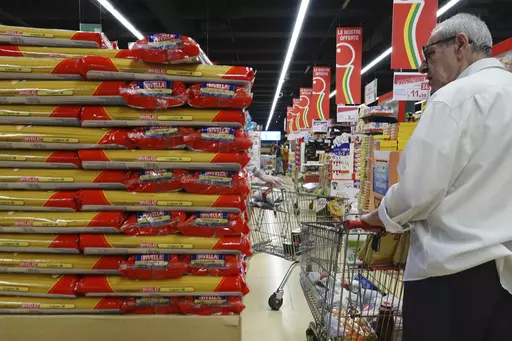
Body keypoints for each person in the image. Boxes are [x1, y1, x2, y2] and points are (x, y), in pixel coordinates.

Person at [359, 13, 512, 340]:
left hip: (451, 276)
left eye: (429, 54)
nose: (422, 68)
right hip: (505, 279)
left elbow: (417, 193)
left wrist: (379, 215)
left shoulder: (454, 99)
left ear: (460, 45)